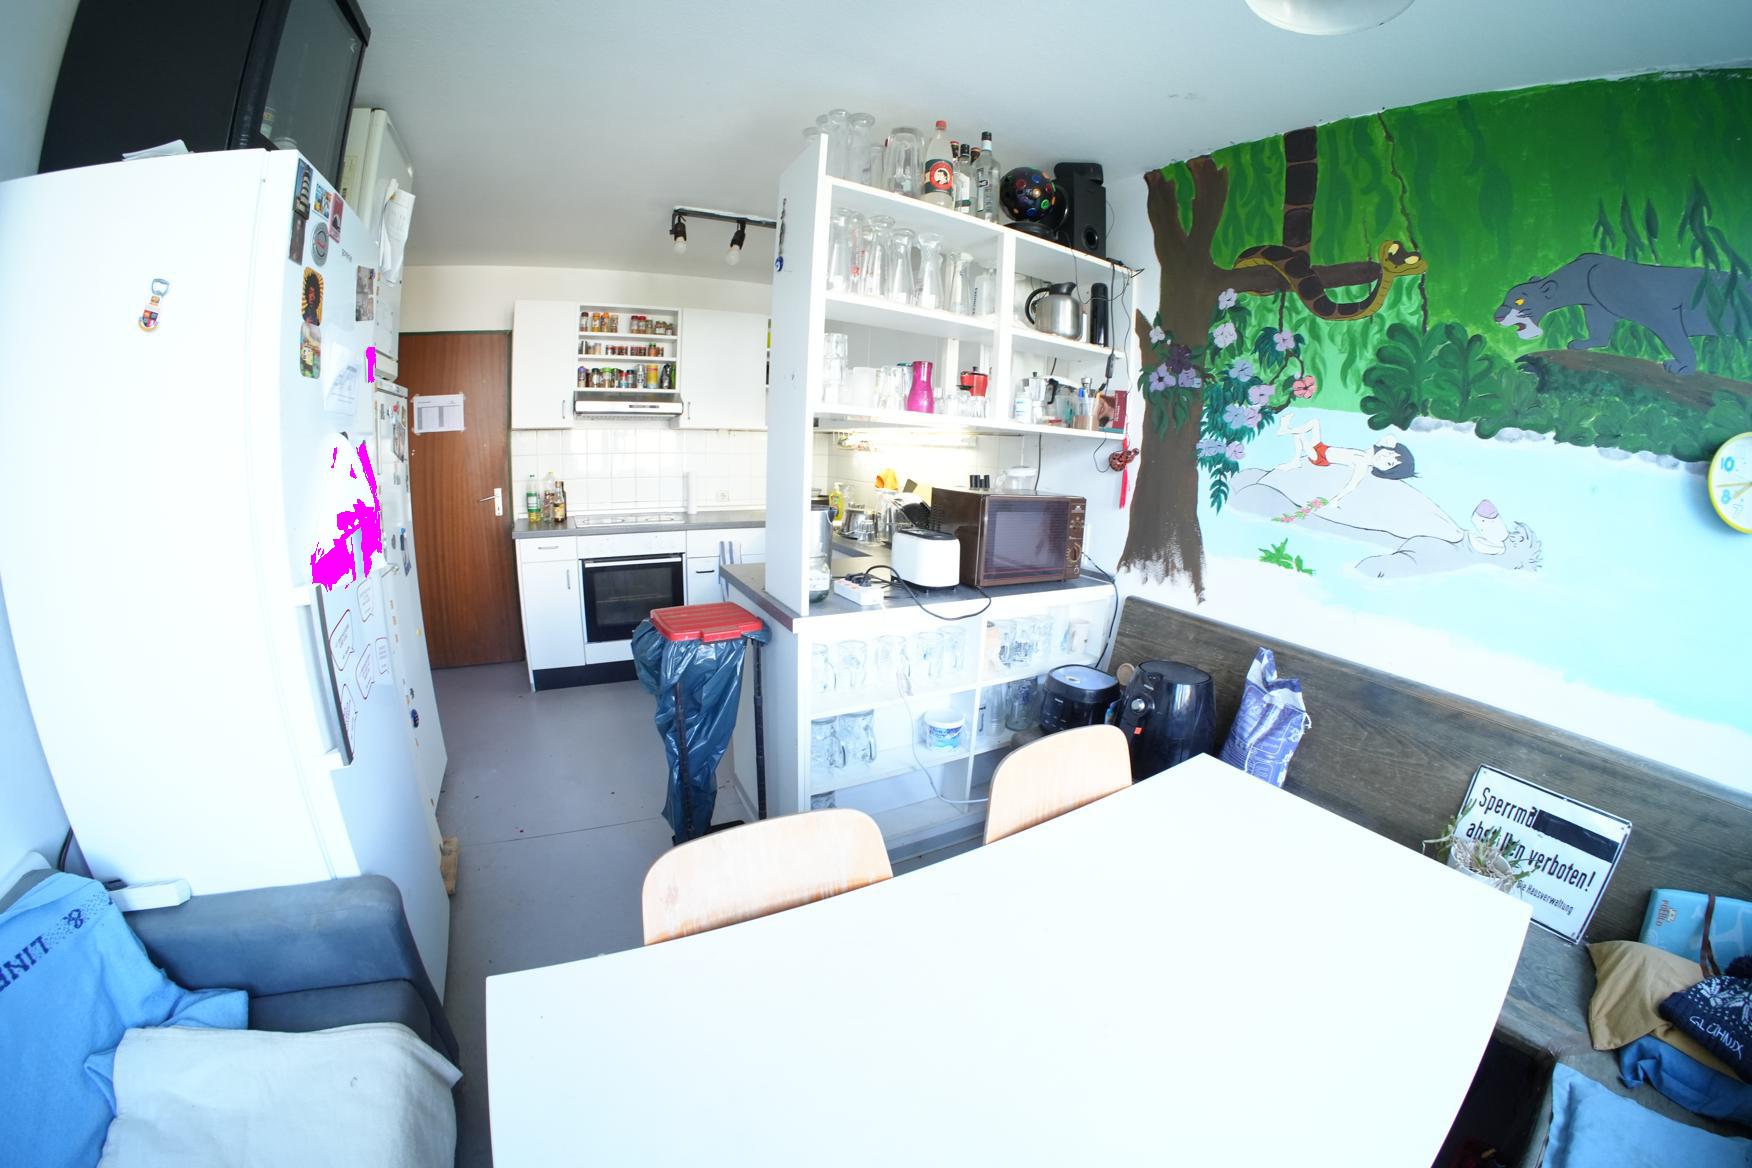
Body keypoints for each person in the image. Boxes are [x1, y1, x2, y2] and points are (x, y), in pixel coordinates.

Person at [1275, 410, 1416, 507]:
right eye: (1390, 454)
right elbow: (1389, 438)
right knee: (1314, 422)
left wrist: (1336, 499)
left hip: (1320, 458)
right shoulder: (1370, 452)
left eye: (1389, 463)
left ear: (1386, 472)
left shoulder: (1362, 464)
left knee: (1300, 435)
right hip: (1322, 447)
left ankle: (1294, 457)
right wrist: (1393, 446)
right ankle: (1287, 435)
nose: (1386, 457)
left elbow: (1352, 484)